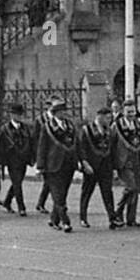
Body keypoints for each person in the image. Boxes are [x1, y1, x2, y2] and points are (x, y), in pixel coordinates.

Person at [35, 97, 78, 231]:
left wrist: (80, 161)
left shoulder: (70, 125)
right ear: (55, 113)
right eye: (60, 111)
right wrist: (40, 167)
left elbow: (77, 144)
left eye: (64, 111)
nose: (63, 113)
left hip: (68, 164)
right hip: (52, 165)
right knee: (58, 195)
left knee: (63, 193)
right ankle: (66, 222)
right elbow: (42, 147)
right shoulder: (47, 126)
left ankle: (54, 220)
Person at [78, 105, 119, 229]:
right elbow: (82, 148)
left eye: (110, 118)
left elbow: (113, 150)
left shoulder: (110, 131)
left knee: (107, 192)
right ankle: (83, 218)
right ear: (99, 117)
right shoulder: (87, 129)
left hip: (106, 166)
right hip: (91, 166)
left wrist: (114, 168)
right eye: (107, 118)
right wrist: (84, 163)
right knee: (87, 192)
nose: (109, 121)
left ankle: (112, 218)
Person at [0, 102, 35, 216]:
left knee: (17, 182)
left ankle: (7, 202)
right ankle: (21, 207)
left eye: (19, 114)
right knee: (17, 183)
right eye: (15, 114)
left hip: (23, 159)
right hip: (12, 160)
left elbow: (31, 142)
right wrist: (0, 162)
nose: (17, 116)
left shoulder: (25, 128)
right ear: (11, 115)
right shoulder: (5, 128)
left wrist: (32, 157)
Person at [112, 98, 140, 227]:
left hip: (136, 160)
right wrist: (114, 167)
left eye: (133, 111)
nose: (131, 114)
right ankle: (118, 211)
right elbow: (112, 145)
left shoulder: (138, 124)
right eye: (128, 112)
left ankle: (131, 218)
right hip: (123, 161)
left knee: (135, 190)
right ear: (123, 111)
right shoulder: (117, 125)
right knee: (131, 187)